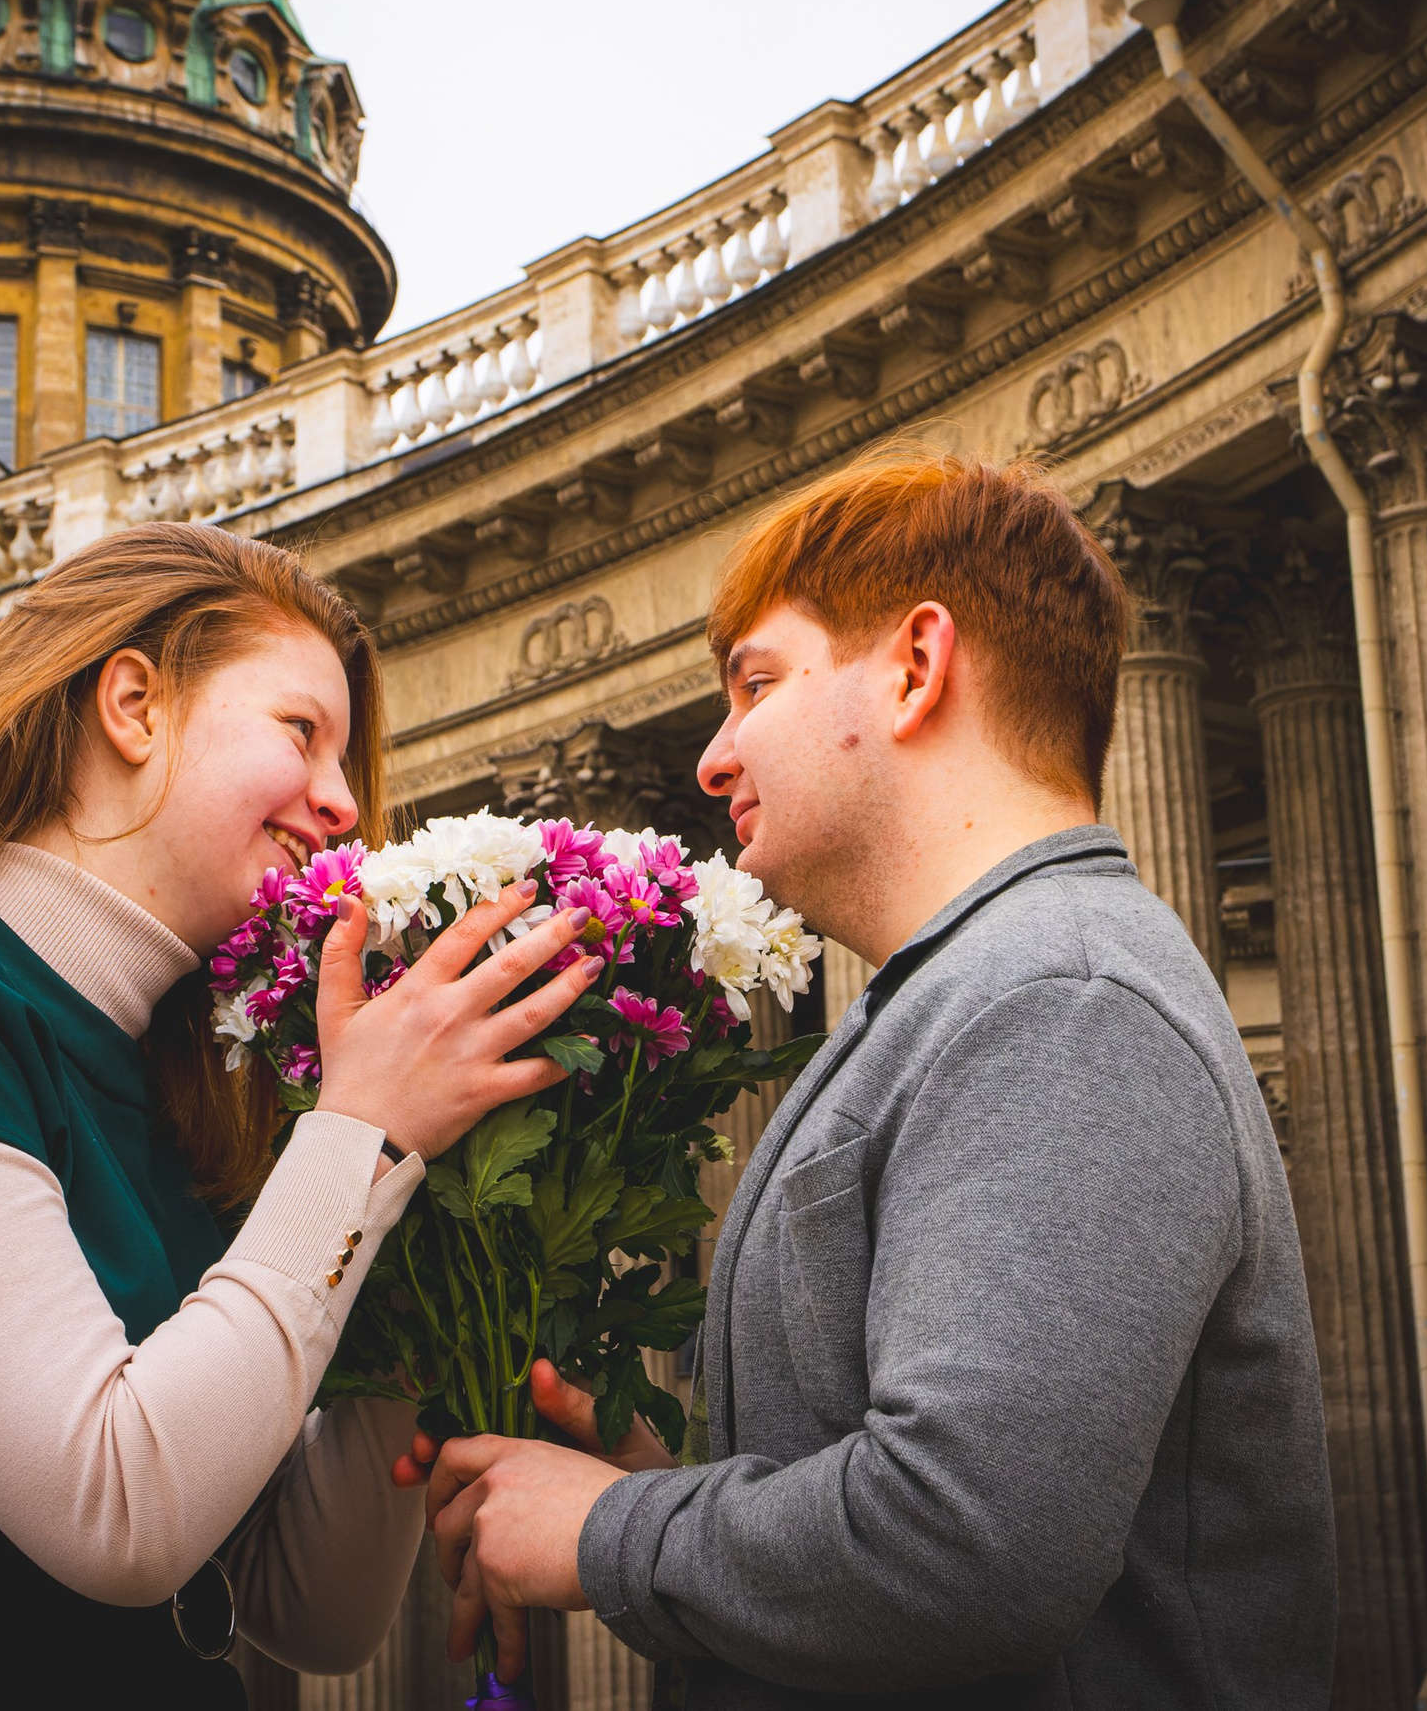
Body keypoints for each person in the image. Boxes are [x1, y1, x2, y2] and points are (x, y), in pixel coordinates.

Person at [408, 451, 1337, 1707]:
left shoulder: (1056, 998)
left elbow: (973, 1544)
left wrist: (607, 1535)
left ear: (915, 665)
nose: (712, 758)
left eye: (757, 682)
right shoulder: (981, 988)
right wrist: (651, 1499)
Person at [0, 523, 606, 1709]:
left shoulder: (181, 1092)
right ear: (132, 704)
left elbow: (313, 1607)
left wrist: (416, 1240)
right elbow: (118, 1511)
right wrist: (364, 1136)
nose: (342, 803)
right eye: (301, 731)